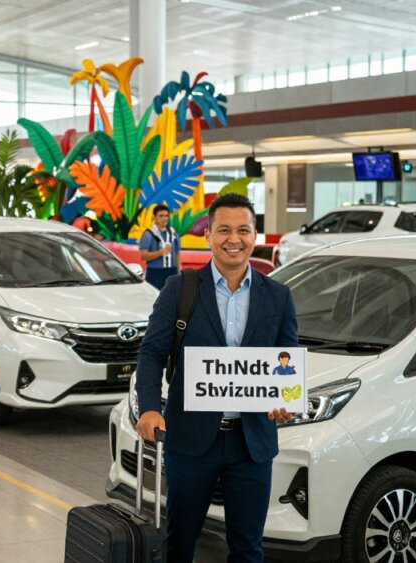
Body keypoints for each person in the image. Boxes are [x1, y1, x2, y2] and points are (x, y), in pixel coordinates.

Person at [134, 193, 297, 563]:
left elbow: (285, 361)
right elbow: (152, 353)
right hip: (190, 439)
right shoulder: (181, 289)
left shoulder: (279, 297)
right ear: (208, 235)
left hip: (251, 442)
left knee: (248, 548)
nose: (233, 239)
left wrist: (285, 401)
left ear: (256, 235)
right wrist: (149, 408)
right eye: (224, 230)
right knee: (180, 543)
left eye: (243, 230)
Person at [138, 204, 180, 290]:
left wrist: (179, 271)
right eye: (161, 216)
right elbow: (143, 256)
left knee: (172, 300)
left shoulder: (174, 233)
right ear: (154, 217)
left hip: (172, 271)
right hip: (155, 272)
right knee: (155, 300)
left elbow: (177, 253)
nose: (164, 218)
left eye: (166, 216)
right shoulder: (148, 234)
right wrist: (160, 252)